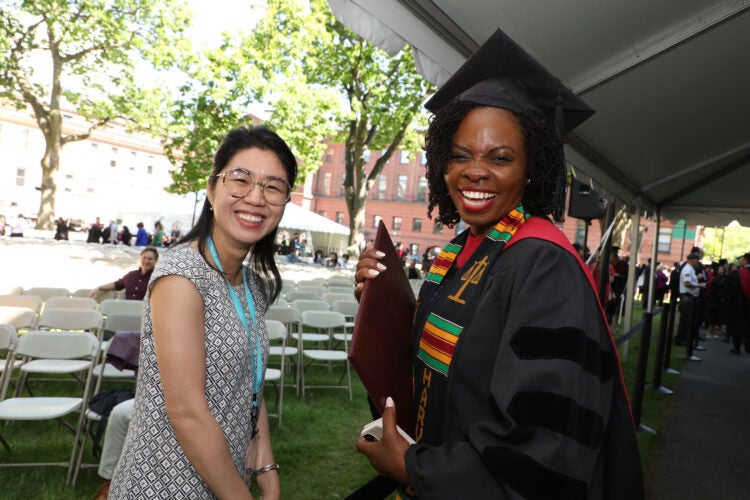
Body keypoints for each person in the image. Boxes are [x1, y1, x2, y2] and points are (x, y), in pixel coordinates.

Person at [353, 29, 643, 498]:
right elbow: (433, 375)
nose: (475, 171)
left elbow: (543, 446)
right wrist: (377, 306)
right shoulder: (461, 253)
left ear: (532, 170)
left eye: (500, 157)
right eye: (460, 156)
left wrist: (414, 468)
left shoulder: (544, 266)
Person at [109, 125, 294, 499]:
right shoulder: (182, 276)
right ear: (211, 190)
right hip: (164, 482)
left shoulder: (250, 284)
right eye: (240, 180)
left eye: (273, 187)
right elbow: (186, 411)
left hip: (224, 476)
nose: (256, 197)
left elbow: (250, 386)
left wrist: (267, 468)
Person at [90, 246, 159, 301]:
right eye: (144, 258)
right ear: (140, 258)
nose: (146, 261)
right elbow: (116, 285)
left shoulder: (158, 279)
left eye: (150, 259)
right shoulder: (131, 275)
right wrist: (99, 287)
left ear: (155, 261)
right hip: (126, 311)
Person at [674, 252, 706, 352]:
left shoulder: (691, 269)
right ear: (692, 259)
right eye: (697, 259)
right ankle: (681, 339)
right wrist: (699, 286)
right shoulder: (687, 269)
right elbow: (687, 283)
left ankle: (684, 338)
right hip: (688, 297)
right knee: (685, 320)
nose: (698, 262)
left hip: (691, 297)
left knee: (688, 320)